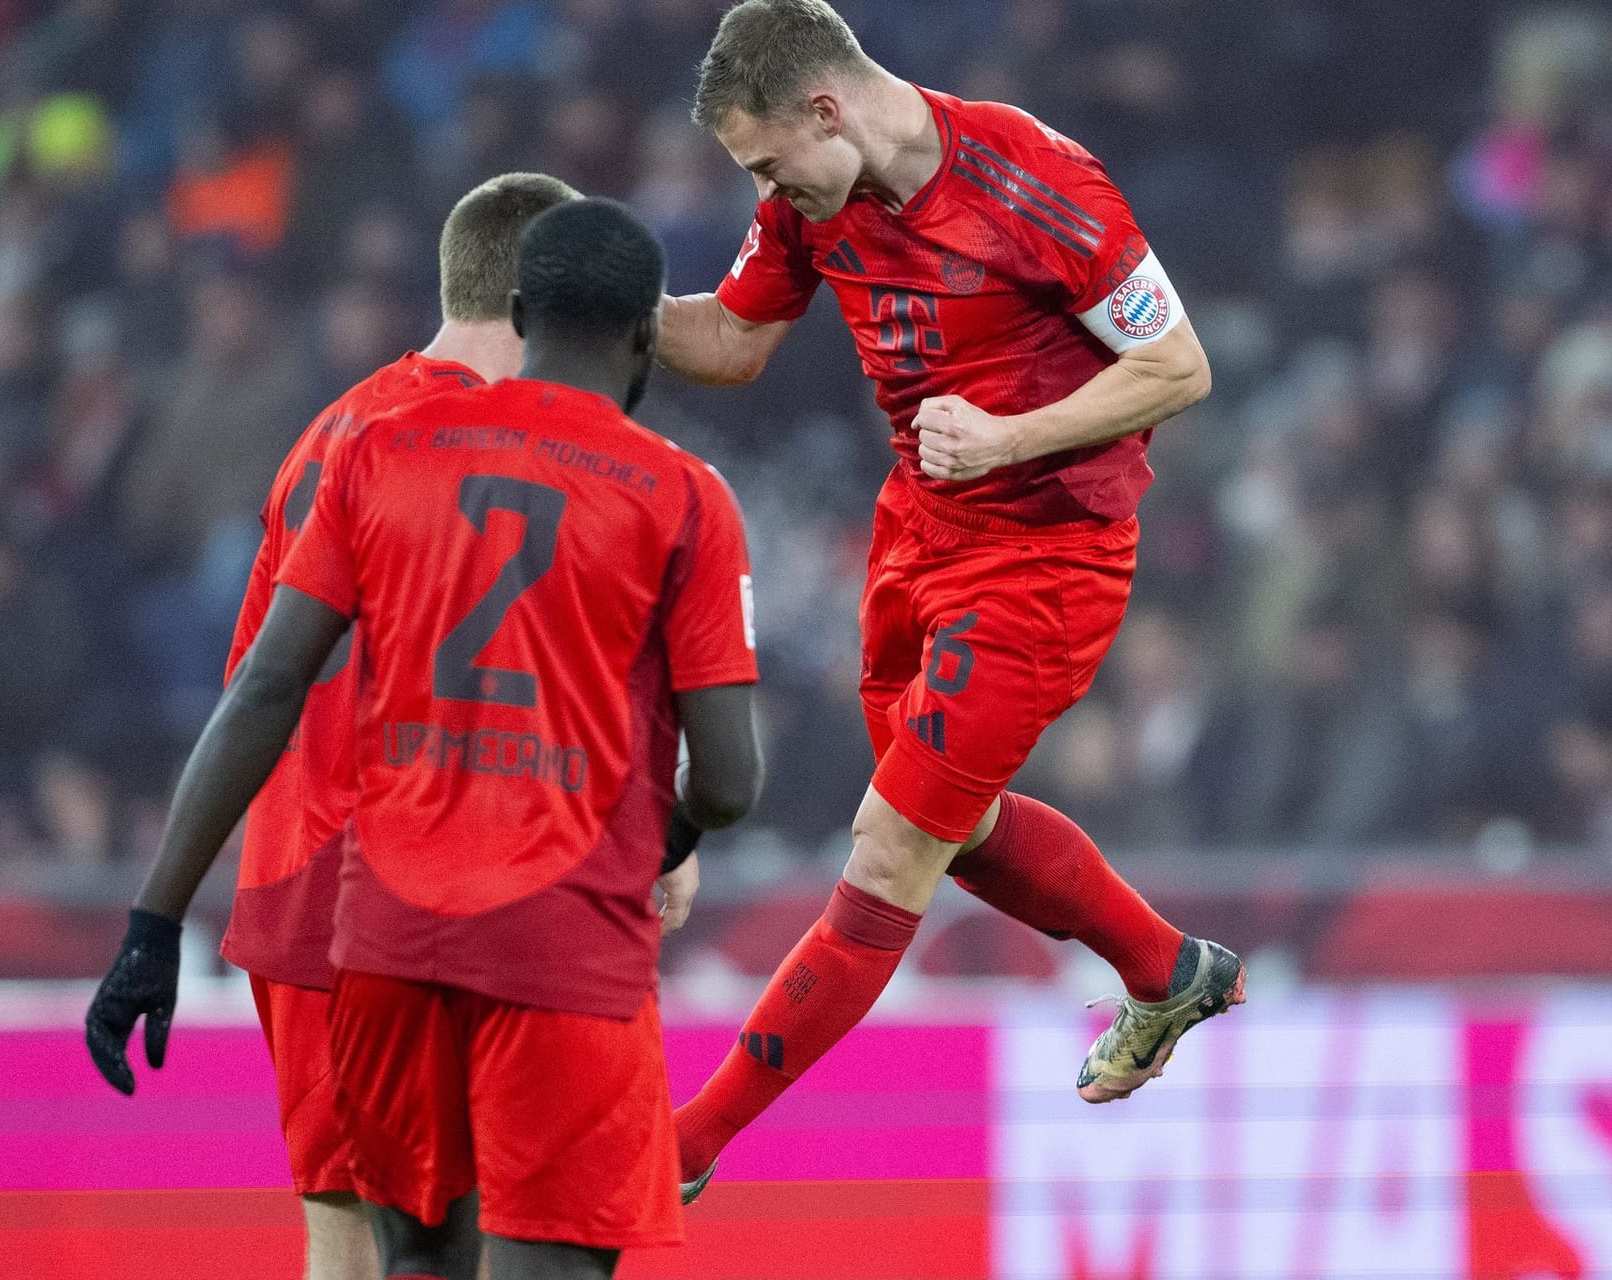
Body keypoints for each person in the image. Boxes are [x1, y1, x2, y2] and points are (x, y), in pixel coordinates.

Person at [94, 196, 762, 1280]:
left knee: (378, 1241)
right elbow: (715, 766)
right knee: (492, 1246)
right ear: (632, 330)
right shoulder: (665, 487)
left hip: (358, 905)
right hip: (488, 888)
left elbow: (265, 682)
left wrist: (153, 915)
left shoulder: (361, 436)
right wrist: (655, 832)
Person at [658, 0, 1244, 1197]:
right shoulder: (812, 197)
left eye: (769, 162)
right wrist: (590, 295)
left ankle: (685, 1145)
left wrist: (1011, 435)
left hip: (1045, 561)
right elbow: (728, 340)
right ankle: (1166, 968)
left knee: (891, 848)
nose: (770, 190)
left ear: (826, 108)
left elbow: (1178, 365)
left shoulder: (1033, 177)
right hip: (915, 533)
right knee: (953, 826)